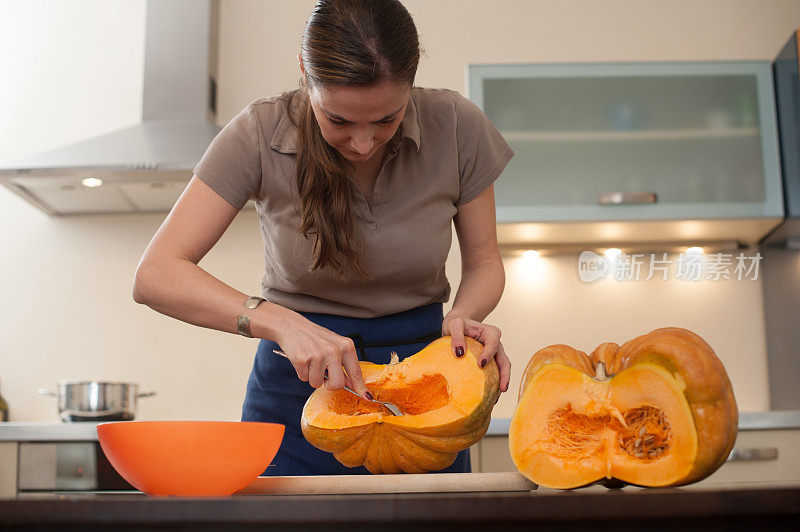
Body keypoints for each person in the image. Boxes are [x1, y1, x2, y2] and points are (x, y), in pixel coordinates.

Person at [132, 0, 513, 476]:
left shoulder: (458, 125)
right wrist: (280, 324)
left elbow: (483, 264)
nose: (362, 143)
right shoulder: (258, 131)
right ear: (304, 75)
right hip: (295, 388)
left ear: (411, 85)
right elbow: (155, 274)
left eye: (386, 120)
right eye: (338, 120)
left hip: (429, 383)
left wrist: (465, 316)